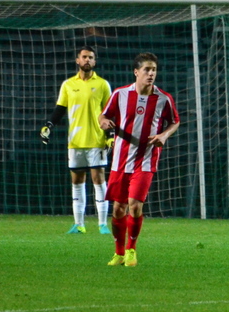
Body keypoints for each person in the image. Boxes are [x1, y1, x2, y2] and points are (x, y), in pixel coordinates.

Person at [98, 52, 180, 267]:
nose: (151, 74)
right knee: (118, 209)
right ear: (136, 72)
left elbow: (175, 121)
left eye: (154, 70)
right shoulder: (120, 94)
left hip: (146, 160)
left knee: (134, 206)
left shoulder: (163, 98)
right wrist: (103, 122)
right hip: (120, 160)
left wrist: (164, 135)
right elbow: (103, 115)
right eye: (147, 70)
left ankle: (131, 250)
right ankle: (118, 253)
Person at [40, 45, 113, 234]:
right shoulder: (68, 85)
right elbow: (60, 109)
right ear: (77, 60)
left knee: (99, 180)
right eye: (84, 57)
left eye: (90, 57)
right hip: (75, 141)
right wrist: (49, 125)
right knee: (77, 181)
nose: (87, 60)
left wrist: (110, 136)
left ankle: (103, 224)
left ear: (94, 62)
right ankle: (79, 224)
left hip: (96, 140)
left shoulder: (103, 84)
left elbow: (110, 112)